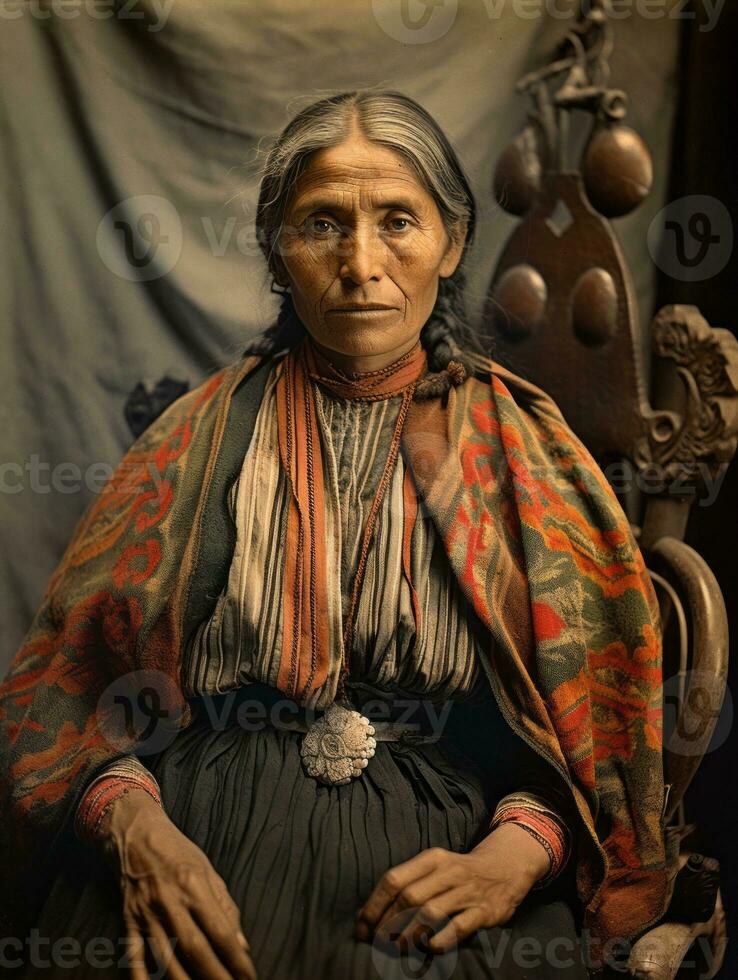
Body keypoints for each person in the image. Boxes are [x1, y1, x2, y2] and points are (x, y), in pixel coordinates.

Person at [0, 90, 672, 980]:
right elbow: (62, 695)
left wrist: (514, 857)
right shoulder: (197, 438)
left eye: (398, 220)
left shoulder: (526, 453)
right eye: (323, 225)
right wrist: (136, 829)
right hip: (199, 837)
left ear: (452, 241)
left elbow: (599, 738)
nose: (361, 263)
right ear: (279, 252)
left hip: (446, 851)